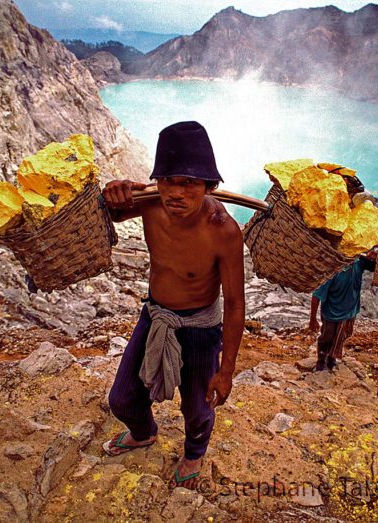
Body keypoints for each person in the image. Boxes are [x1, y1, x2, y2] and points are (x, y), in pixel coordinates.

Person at [100, 121, 245, 490]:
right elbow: (112, 212)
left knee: (198, 407)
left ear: (209, 187)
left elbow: (234, 302)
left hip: (200, 329)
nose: (176, 194)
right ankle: (144, 432)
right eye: (167, 181)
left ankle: (194, 453)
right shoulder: (150, 205)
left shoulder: (222, 229)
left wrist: (226, 369)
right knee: (122, 399)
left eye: (189, 183)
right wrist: (114, 192)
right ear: (157, 182)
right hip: (156, 316)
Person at [309, 252, 377, 371]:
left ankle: (332, 357)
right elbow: (316, 296)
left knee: (342, 334)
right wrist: (312, 319)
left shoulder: (358, 263)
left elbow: (374, 267)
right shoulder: (332, 272)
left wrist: (374, 258)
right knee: (327, 336)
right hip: (332, 311)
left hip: (350, 310)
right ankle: (321, 360)